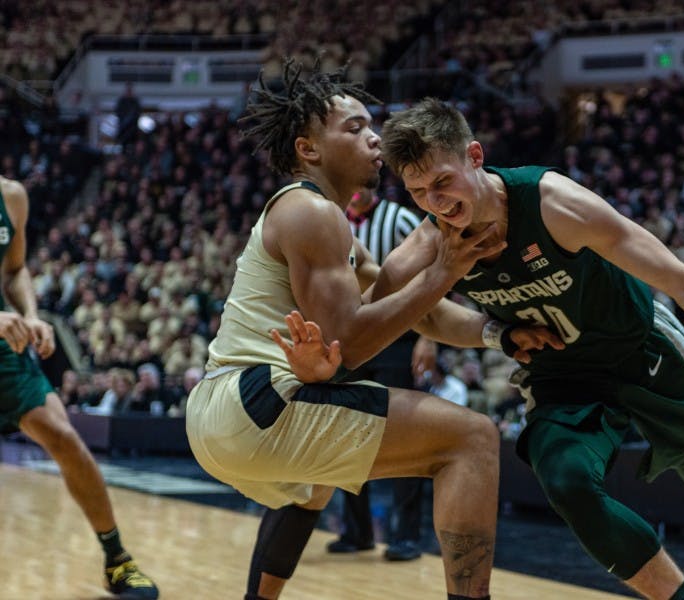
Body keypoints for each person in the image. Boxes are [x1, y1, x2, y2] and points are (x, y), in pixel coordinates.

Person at [376, 98, 684, 600]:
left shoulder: (554, 204)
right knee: (567, 482)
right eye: (418, 191)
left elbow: (682, 281)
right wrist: (493, 331)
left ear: (474, 155)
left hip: (640, 349)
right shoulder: (431, 245)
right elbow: (384, 314)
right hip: (562, 375)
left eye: (442, 182)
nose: (435, 202)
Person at [184, 61, 561, 600]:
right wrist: (444, 272)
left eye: (372, 124)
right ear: (308, 149)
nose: (374, 137)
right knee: (473, 439)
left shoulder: (326, 222)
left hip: (226, 413)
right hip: (255, 402)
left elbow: (420, 312)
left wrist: (497, 335)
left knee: (313, 486)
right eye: (355, 128)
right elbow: (350, 344)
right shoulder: (312, 212)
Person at [0, 176, 158, 597]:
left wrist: (31, 315)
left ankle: (117, 560)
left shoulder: (11, 196)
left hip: (4, 343)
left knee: (65, 439)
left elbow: (14, 270)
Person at [326, 187, 431, 562]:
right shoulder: (333, 222)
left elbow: (429, 277)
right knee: (347, 434)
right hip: (351, 339)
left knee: (402, 432)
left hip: (398, 338)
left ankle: (406, 535)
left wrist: (427, 338)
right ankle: (357, 532)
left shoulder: (400, 218)